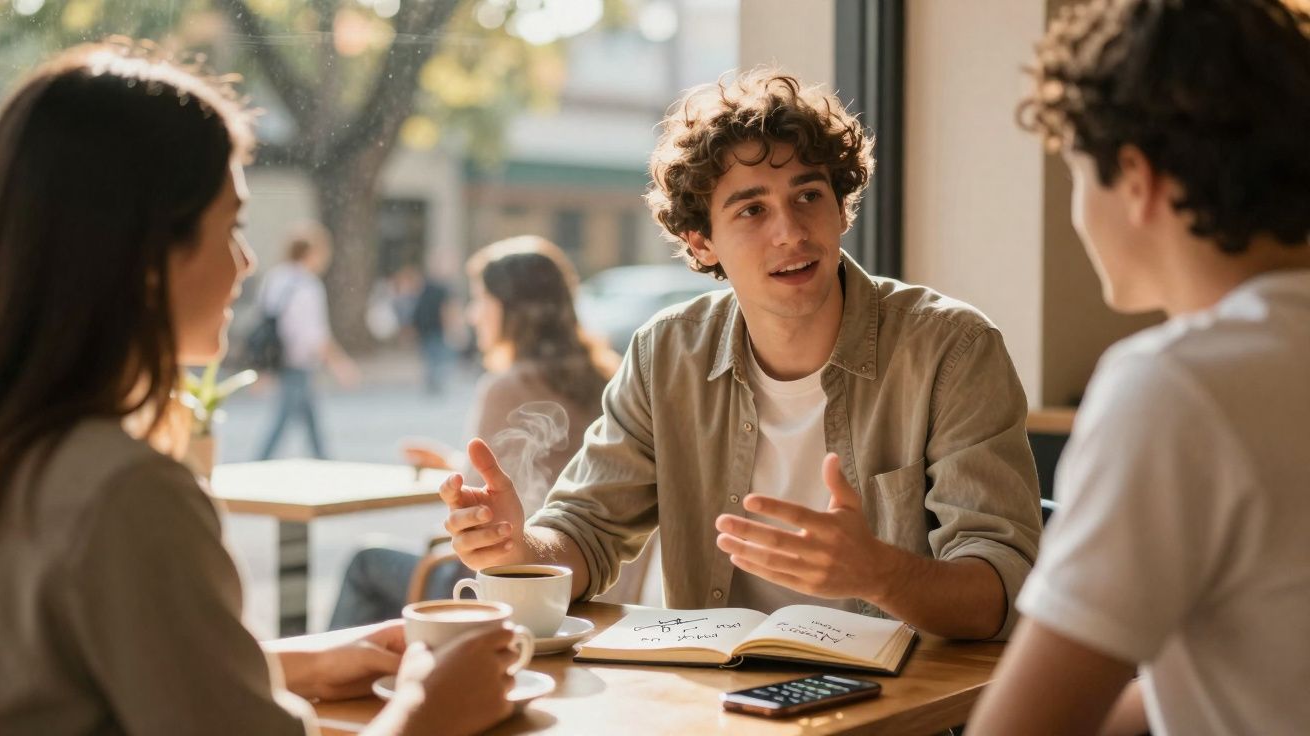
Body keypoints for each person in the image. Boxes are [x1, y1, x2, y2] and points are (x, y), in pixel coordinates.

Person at [0, 41, 516, 736]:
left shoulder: (34, 456)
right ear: (150, 253)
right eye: (232, 225)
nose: (245, 263)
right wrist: (433, 708)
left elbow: (88, 679)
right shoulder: (126, 493)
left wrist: (290, 663)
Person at [439, 69, 1043, 640]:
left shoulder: (952, 350)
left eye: (809, 195)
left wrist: (879, 573)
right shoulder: (665, 353)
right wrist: (519, 549)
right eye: (752, 209)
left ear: (840, 207)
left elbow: (1002, 589)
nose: (791, 232)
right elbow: (586, 531)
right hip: (713, 700)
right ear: (702, 241)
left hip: (896, 702)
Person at [969, 2, 1310, 734]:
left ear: (1134, 176)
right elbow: (1259, 665)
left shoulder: (1176, 386)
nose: (1078, 213)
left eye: (1077, 178)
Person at [330, 236, 620, 629]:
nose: (471, 314)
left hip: (506, 583)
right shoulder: (607, 377)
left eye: (481, 299)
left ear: (513, 308)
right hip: (591, 586)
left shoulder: (508, 387)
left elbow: (475, 505)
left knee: (365, 562)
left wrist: (455, 476)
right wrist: (448, 462)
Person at [256, 223, 358, 460]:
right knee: (285, 419)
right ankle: (259, 462)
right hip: (299, 360)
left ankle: (324, 462)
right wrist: (340, 364)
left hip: (279, 357)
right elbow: (315, 335)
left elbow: (266, 320)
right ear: (312, 252)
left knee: (309, 417)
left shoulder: (275, 278)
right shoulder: (308, 285)